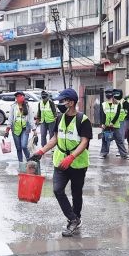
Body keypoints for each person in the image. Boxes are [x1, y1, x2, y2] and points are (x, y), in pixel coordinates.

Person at [30, 88, 92, 237]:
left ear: (71, 102)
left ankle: (76, 218)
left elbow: (84, 141)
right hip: (60, 162)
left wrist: (72, 157)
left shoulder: (83, 120)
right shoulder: (59, 118)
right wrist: (41, 151)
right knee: (58, 190)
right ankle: (73, 219)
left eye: (63, 101)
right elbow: (55, 138)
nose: (60, 104)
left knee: (76, 194)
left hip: (77, 163)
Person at [100, 88, 129, 160]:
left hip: (115, 125)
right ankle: (103, 153)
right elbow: (103, 115)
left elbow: (117, 114)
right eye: (107, 93)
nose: (108, 95)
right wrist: (102, 123)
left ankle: (124, 154)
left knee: (119, 140)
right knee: (105, 140)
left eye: (109, 93)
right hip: (106, 126)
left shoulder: (117, 104)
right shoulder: (103, 104)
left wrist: (112, 122)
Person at [6, 91, 36, 163]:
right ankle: (21, 163)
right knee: (18, 148)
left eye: (20, 96)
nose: (18, 98)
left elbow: (31, 119)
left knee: (24, 146)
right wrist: (7, 129)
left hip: (25, 129)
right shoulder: (13, 106)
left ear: (23, 97)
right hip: (15, 130)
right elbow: (10, 118)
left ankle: (30, 161)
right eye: (17, 96)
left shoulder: (27, 106)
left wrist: (34, 130)